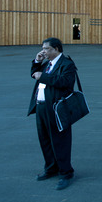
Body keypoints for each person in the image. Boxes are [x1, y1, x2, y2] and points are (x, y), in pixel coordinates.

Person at [27, 37, 77, 190]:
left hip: (56, 109)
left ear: (56, 49)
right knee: (45, 140)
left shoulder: (67, 64)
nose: (44, 51)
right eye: (42, 48)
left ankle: (65, 172)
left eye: (47, 49)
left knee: (60, 141)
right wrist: (36, 61)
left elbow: (65, 82)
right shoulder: (47, 64)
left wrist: (43, 76)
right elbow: (34, 74)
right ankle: (51, 168)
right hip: (41, 107)